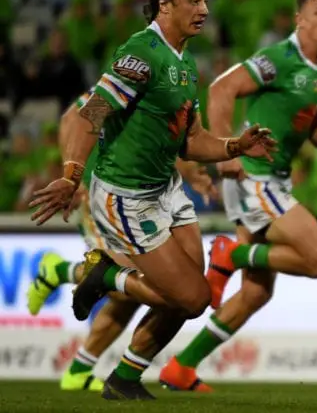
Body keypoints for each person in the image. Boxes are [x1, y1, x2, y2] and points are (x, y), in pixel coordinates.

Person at [28, 0, 276, 401]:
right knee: (193, 299)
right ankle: (107, 276)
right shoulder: (141, 53)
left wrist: (235, 146)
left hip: (167, 189)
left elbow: (192, 141)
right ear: (164, 4)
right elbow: (91, 114)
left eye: (205, 0)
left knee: (191, 295)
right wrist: (71, 175)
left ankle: (125, 377)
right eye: (193, 0)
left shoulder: (185, 64)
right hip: (127, 195)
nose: (204, 9)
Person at [158, 0, 317, 391]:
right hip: (253, 176)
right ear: (300, 20)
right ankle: (231, 254)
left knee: (256, 293)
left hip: (268, 179)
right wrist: (225, 150)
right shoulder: (280, 58)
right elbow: (221, 88)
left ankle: (182, 366)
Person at [27, 88, 217, 392]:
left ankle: (80, 369)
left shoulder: (160, 92)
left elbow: (163, 144)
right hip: (104, 193)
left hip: (144, 196)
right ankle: (61, 270)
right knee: (129, 284)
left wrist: (192, 175)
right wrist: (72, 177)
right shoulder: (125, 82)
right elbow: (72, 118)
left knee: (136, 286)